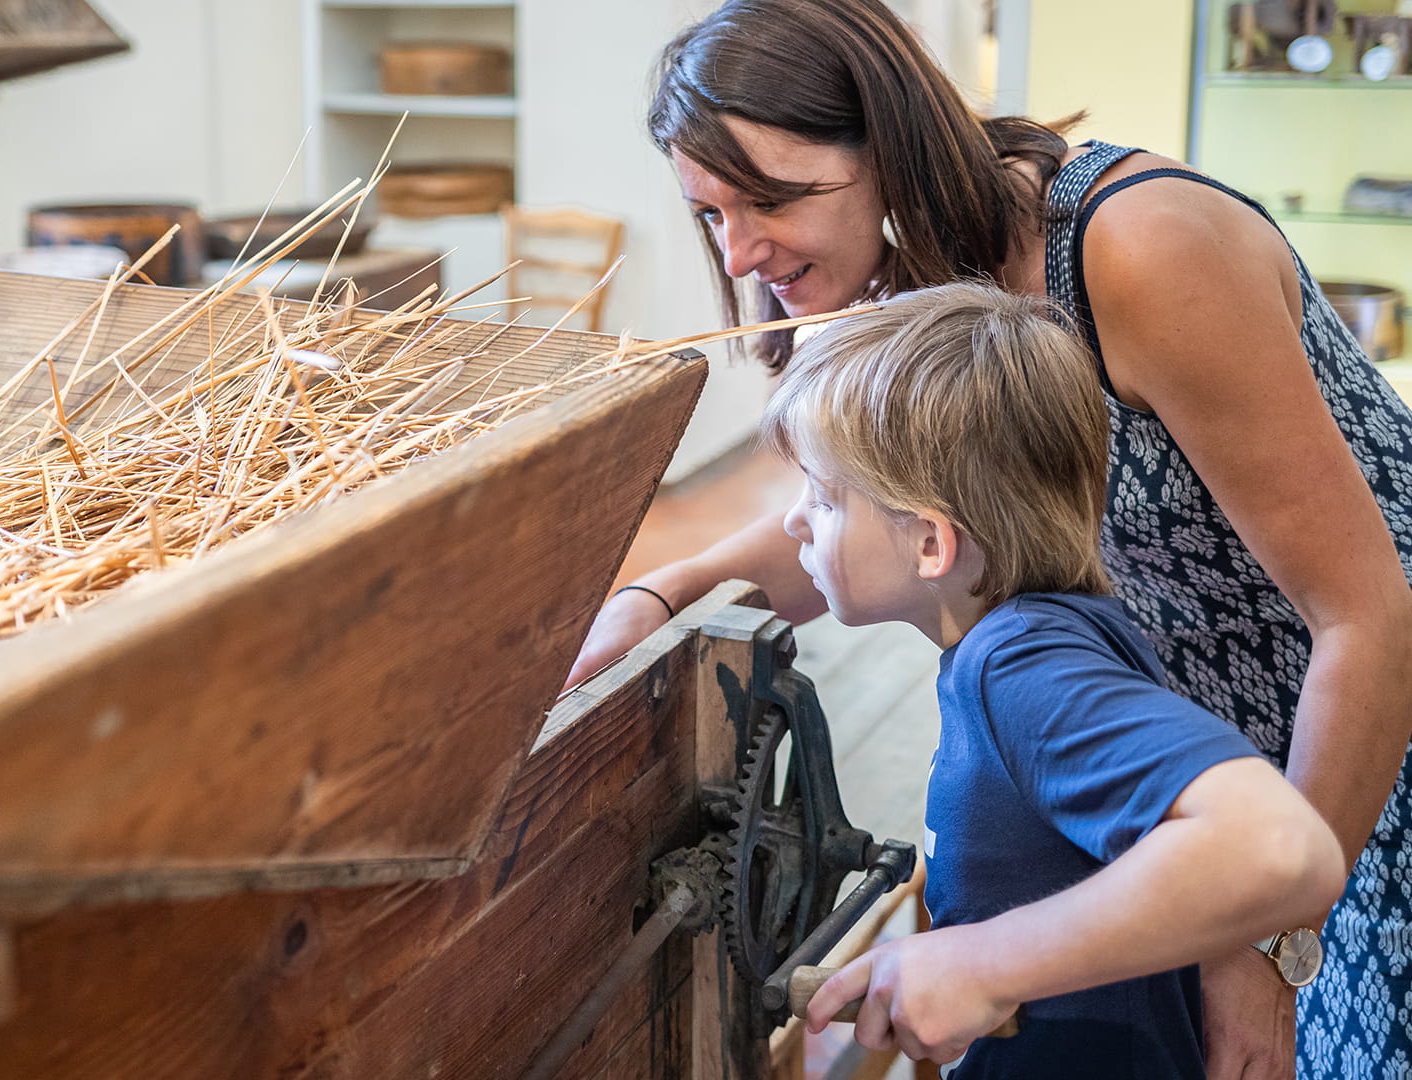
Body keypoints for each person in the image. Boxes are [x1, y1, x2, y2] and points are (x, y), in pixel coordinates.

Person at [568, 2, 1412, 1076]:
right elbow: (861, 523)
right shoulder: (916, 272)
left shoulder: (1138, 248)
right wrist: (664, 589)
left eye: (771, 198)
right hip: (1210, 751)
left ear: (885, 139)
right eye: (710, 213)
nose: (739, 251)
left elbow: (1370, 617)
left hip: (1365, 735)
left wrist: (1268, 947)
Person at [760, 280, 1344, 1077]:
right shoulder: (1047, 631)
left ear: (931, 544)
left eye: (824, 499)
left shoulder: (1023, 666)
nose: (794, 521)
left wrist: (986, 962)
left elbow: (1282, 847)